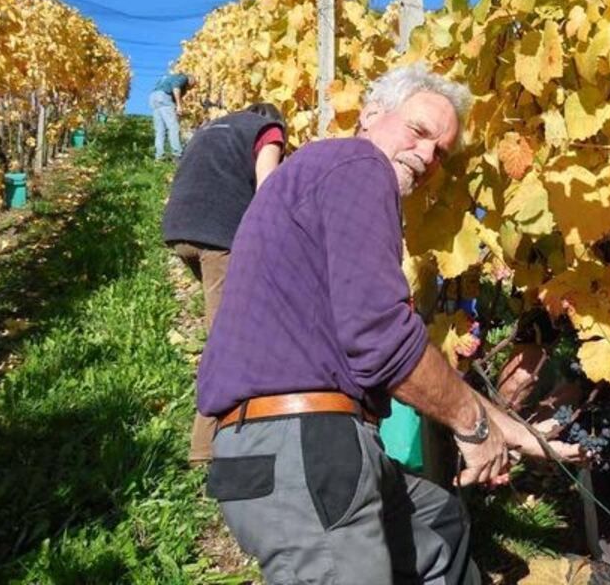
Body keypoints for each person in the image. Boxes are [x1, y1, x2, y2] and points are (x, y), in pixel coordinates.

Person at [196, 64, 580, 585]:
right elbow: (380, 339)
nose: (426, 156)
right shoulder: (356, 162)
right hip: (304, 449)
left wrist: (513, 431)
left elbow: (379, 343)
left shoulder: (313, 179)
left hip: (290, 447)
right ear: (372, 114)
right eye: (419, 132)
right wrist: (474, 426)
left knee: (440, 526)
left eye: (440, 151)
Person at [162, 102, 286, 464]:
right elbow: (268, 194)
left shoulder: (213, 129)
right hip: (219, 235)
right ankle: (205, 449)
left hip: (179, 228)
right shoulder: (268, 131)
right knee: (228, 338)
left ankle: (241, 419)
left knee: (232, 317)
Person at [150, 71, 195, 160]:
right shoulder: (183, 77)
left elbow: (172, 99)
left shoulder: (170, 77)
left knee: (160, 130)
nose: (191, 88)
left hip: (153, 98)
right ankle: (177, 154)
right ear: (191, 79)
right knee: (174, 128)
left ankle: (159, 156)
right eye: (192, 85)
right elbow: (176, 88)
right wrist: (179, 106)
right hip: (163, 97)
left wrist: (177, 111)